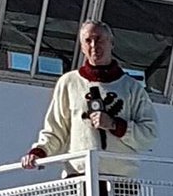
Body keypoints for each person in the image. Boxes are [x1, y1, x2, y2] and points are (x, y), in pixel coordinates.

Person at [21, 20, 158, 169]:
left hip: (120, 181)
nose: (94, 46)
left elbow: (149, 135)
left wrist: (114, 125)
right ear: (82, 48)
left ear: (111, 43)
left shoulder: (132, 88)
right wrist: (39, 153)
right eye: (88, 41)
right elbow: (56, 130)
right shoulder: (69, 83)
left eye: (99, 39)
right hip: (80, 177)